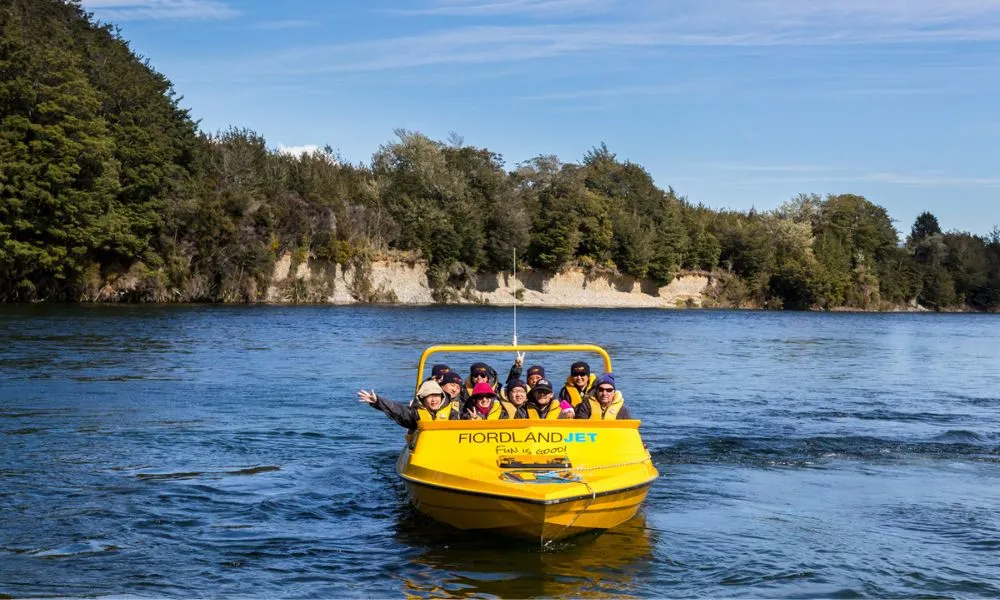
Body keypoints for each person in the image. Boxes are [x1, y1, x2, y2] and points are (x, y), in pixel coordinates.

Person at [357, 380, 461, 434]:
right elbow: (397, 409)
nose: (434, 400)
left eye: (436, 396)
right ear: (422, 400)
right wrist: (377, 401)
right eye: (429, 397)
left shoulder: (452, 411)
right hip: (423, 450)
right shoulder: (414, 413)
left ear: (441, 396)